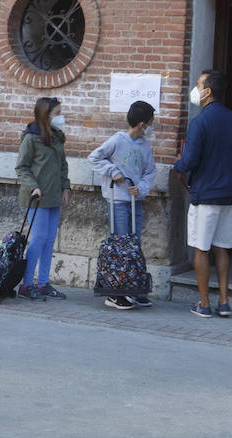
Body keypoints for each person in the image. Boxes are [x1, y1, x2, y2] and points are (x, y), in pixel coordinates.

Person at [174, 69, 232, 319]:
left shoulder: (200, 122)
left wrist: (178, 164)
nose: (195, 89)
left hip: (206, 195)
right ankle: (224, 301)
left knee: (201, 249)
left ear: (207, 92)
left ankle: (204, 303)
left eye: (198, 85)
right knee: (222, 248)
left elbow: (189, 160)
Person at [88, 100, 158, 310]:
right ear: (142, 124)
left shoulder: (145, 146)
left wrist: (142, 188)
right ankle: (116, 293)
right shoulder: (118, 140)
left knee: (134, 245)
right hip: (118, 200)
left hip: (135, 201)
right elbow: (95, 157)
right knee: (121, 245)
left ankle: (133, 288)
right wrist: (113, 172)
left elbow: (149, 172)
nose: (153, 127)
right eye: (151, 122)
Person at [15, 97, 71, 300]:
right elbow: (22, 167)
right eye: (57, 113)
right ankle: (26, 284)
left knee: (49, 240)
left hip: (54, 195)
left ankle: (44, 283)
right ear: (45, 115)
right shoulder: (31, 137)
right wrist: (33, 187)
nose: (61, 117)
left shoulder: (57, 137)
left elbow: (62, 164)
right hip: (36, 197)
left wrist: (65, 186)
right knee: (38, 239)